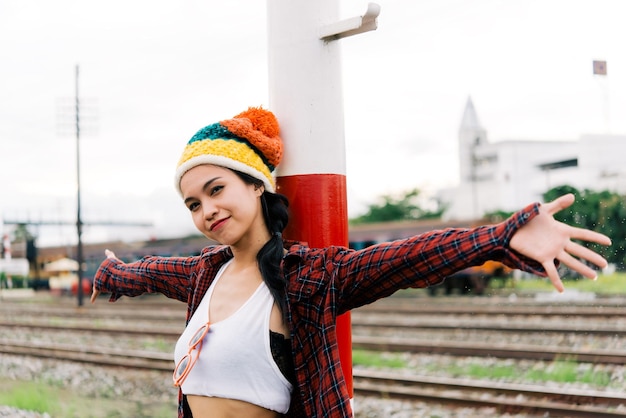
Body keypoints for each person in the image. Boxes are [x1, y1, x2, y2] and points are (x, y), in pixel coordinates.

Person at [91, 106, 611, 418]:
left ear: (255, 185)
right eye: (193, 204)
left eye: (216, 189)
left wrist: (502, 236)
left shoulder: (309, 276)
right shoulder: (204, 272)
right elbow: (146, 272)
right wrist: (112, 273)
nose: (207, 211)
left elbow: (408, 258)